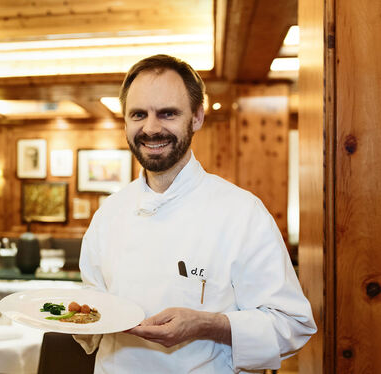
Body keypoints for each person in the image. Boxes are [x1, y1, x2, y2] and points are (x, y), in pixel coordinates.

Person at [77, 54, 316, 373]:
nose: (151, 128)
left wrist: (210, 325)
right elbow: (93, 307)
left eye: (167, 113)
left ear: (197, 117)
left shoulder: (242, 212)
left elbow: (292, 325)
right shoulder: (108, 214)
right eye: (138, 114)